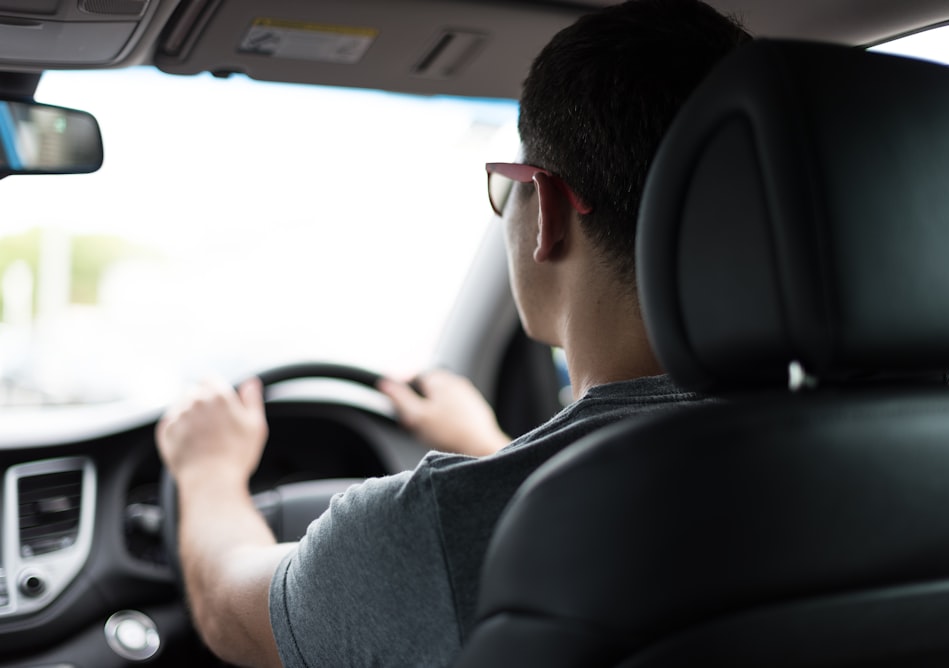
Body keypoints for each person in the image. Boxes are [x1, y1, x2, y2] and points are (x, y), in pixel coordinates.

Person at [154, 1, 751, 666]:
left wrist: (207, 470)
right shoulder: (860, 456)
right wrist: (487, 447)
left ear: (547, 209)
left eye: (509, 187)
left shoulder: (431, 528)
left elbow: (227, 608)